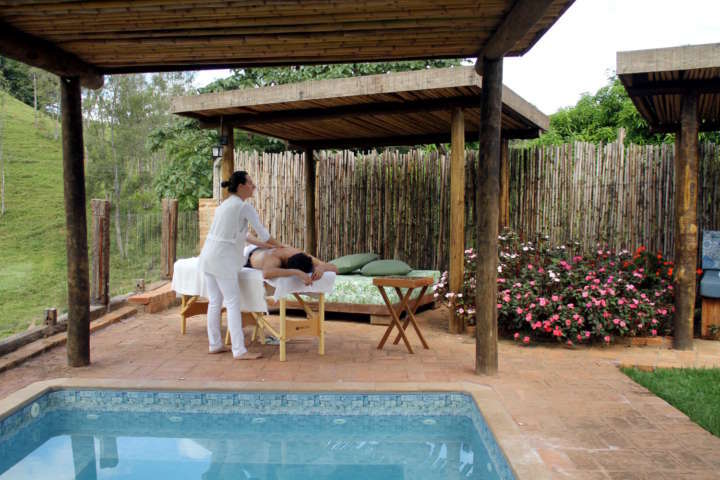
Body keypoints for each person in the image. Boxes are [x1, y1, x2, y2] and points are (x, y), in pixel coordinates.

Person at [198, 171, 283, 360]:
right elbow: (264, 233)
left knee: (215, 302)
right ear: (242, 186)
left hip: (208, 256)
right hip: (222, 260)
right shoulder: (244, 207)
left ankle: (215, 344)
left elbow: (245, 236)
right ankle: (239, 350)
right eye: (251, 183)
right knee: (232, 302)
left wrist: (269, 246)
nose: (254, 186)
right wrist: (280, 246)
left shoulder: (226, 205)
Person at [244, 240, 339, 283]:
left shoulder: (300, 255)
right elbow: (266, 273)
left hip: (264, 246)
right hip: (247, 255)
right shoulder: (273, 258)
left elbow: (335, 268)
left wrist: (322, 267)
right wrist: (296, 272)